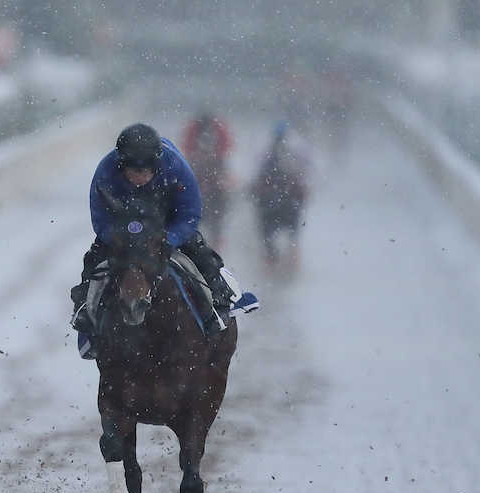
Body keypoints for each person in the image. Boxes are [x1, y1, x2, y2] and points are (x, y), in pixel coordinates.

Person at [70, 123, 258, 359]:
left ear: (156, 164)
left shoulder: (177, 167)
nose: (139, 178)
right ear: (121, 164)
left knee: (203, 257)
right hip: (122, 229)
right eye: (133, 172)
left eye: (145, 171)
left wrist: (168, 239)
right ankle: (85, 316)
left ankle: (221, 302)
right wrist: (121, 239)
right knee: (92, 264)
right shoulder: (105, 172)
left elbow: (190, 214)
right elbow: (100, 219)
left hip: (166, 226)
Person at [250, 120, 310, 267]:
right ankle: (280, 256)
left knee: (269, 231)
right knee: (286, 230)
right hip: (280, 199)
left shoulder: (275, 154)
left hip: (275, 200)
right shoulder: (291, 153)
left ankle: (275, 257)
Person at [180, 111, 234, 247]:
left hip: (214, 169)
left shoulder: (217, 132)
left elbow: (226, 149)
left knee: (223, 194)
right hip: (199, 167)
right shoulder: (195, 132)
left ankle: (217, 234)